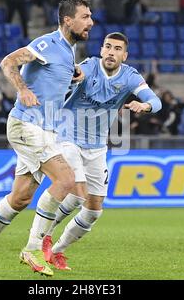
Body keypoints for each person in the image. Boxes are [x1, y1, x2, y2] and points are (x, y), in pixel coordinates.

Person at [0, 0, 94, 277]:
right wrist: (21, 88)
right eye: (85, 17)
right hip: (26, 124)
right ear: (68, 20)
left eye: (90, 17)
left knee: (20, 198)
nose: (90, 22)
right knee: (66, 180)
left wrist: (74, 74)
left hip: (43, 129)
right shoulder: (48, 43)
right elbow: (8, 62)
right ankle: (32, 248)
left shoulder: (68, 53)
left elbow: (54, 77)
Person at [41, 32, 162, 270]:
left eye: (117, 49)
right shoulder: (88, 66)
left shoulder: (130, 77)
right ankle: (42, 236)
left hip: (97, 148)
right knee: (76, 194)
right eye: (107, 47)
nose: (111, 52)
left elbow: (156, 101)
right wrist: (71, 78)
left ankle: (57, 251)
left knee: (93, 211)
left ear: (124, 55)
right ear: (101, 49)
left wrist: (144, 105)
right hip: (68, 138)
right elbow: (75, 75)